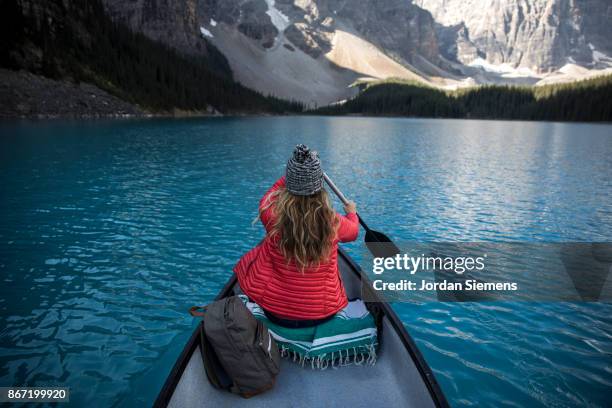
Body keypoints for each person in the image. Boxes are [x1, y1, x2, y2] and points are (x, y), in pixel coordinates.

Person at [234, 144, 359, 327]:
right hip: (322, 315)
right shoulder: (333, 222)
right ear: (319, 187)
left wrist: (296, 171)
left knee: (256, 256)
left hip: (274, 313)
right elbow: (354, 232)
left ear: (291, 182)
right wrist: (351, 212)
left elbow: (268, 196)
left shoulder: (271, 214)